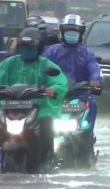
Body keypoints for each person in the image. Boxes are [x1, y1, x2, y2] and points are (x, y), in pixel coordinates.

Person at [0, 27, 68, 173]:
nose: (26, 50)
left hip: (38, 107)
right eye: (23, 47)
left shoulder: (46, 65)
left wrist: (51, 89)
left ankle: (45, 161)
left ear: (38, 48)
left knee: (47, 123)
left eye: (30, 47)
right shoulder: (9, 63)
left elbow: (60, 82)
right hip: (9, 106)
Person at [43, 14, 102, 162]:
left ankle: (88, 139)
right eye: (68, 30)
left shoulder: (86, 53)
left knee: (92, 105)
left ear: (81, 33)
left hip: (80, 96)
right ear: (62, 32)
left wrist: (95, 82)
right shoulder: (51, 52)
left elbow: (94, 69)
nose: (72, 33)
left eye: (75, 31)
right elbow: (42, 68)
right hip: (54, 95)